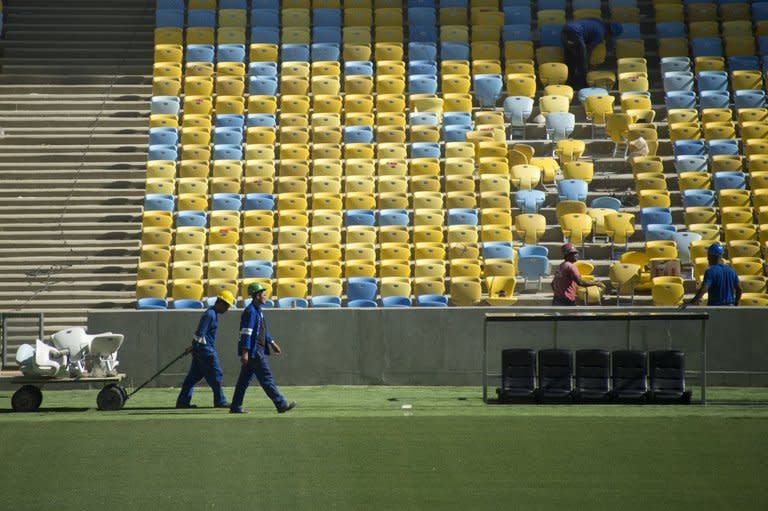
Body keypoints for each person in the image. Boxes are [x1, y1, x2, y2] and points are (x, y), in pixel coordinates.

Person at [229, 283, 296, 414]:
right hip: (255, 352)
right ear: (257, 295)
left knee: (243, 381)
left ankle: (235, 406)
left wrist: (272, 343)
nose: (266, 297)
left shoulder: (258, 310)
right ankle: (280, 404)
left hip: (255, 351)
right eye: (264, 295)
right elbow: (246, 333)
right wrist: (245, 352)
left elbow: (263, 330)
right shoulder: (250, 312)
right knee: (266, 378)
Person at [175, 290, 234, 409]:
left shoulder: (212, 313)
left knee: (193, 377)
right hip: (206, 351)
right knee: (217, 375)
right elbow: (200, 333)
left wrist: (193, 347)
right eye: (227, 306)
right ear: (220, 303)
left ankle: (183, 401)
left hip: (200, 350)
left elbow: (199, 335)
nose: (227, 309)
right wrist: (197, 347)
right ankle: (220, 401)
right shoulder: (210, 315)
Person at [560, 19, 623, 90]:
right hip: (575, 32)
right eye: (611, 36)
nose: (609, 38)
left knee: (571, 58)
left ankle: (569, 82)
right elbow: (590, 48)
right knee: (583, 61)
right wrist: (588, 62)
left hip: (565, 30)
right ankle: (580, 84)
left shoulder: (598, 23)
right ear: (609, 32)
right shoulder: (600, 33)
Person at [683, 243, 742, 307]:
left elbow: (704, 289)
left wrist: (693, 301)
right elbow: (739, 289)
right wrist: (736, 303)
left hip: (715, 308)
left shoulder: (710, 272)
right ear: (721, 256)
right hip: (730, 307)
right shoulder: (731, 271)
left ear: (710, 256)